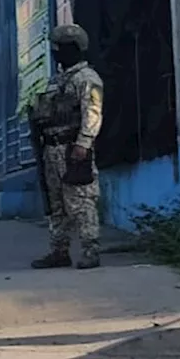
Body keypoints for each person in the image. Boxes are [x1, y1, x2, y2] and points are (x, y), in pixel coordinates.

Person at [29, 24, 104, 269]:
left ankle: (90, 249)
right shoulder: (57, 80)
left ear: (73, 49)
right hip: (51, 149)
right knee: (56, 203)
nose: (55, 53)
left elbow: (92, 112)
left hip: (73, 147)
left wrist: (84, 143)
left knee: (81, 200)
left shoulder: (87, 79)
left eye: (59, 48)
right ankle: (59, 250)